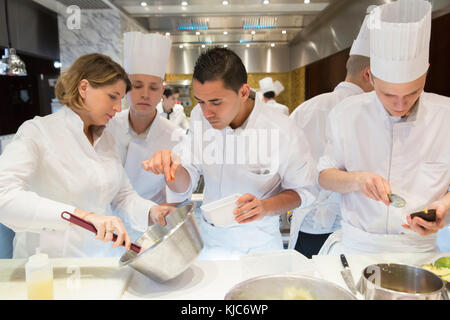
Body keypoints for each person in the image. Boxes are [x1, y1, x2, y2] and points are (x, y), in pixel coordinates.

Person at [143, 47, 317, 260]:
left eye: (216, 102)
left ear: (243, 92)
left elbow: (304, 191)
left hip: (259, 246)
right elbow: (184, 184)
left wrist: (264, 207)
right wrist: (171, 168)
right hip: (210, 242)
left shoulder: (282, 130)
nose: (207, 113)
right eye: (200, 101)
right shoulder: (200, 116)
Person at [0, 53, 172, 258]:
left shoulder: (106, 139)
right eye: (112, 96)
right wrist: (81, 216)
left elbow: (122, 196)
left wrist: (152, 211)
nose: (118, 109)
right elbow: (4, 195)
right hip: (48, 266)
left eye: (120, 99)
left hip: (98, 260)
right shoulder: (38, 132)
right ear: (84, 88)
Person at [317, 0, 450, 255]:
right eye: (388, 94)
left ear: (426, 73)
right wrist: (358, 180)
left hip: (420, 253)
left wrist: (444, 208)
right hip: (358, 249)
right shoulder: (347, 114)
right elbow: (324, 176)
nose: (400, 104)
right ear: (371, 77)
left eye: (412, 92)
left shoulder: (446, 117)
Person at [288, 7, 374, 258]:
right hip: (353, 230)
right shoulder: (369, 115)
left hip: (308, 225)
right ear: (368, 74)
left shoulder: (306, 109)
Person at [106, 32, 185, 240]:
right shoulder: (106, 127)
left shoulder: (175, 135)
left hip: (151, 231)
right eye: (137, 86)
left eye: (154, 88)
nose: (145, 94)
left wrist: (159, 215)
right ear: (124, 88)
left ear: (162, 91)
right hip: (107, 229)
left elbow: (178, 192)